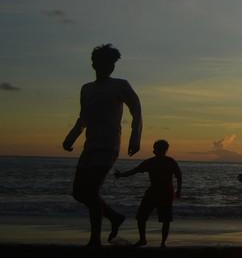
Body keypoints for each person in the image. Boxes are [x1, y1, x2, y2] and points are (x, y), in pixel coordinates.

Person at [62, 43, 142, 247]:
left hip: (108, 145)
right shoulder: (87, 89)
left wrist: (135, 137)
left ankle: (95, 239)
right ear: (94, 64)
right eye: (105, 63)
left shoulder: (120, 85)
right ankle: (114, 217)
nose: (109, 67)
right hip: (90, 145)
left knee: (91, 191)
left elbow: (136, 111)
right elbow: (83, 117)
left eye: (112, 64)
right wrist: (71, 137)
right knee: (79, 192)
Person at [114, 139, 182, 247]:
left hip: (160, 192)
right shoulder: (164, 161)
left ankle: (155, 241)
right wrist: (178, 191)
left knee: (154, 218)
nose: (153, 150)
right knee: (154, 218)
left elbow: (135, 171)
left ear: (158, 150)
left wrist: (178, 190)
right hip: (161, 192)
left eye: (155, 148)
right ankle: (155, 242)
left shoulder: (157, 162)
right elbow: (179, 177)